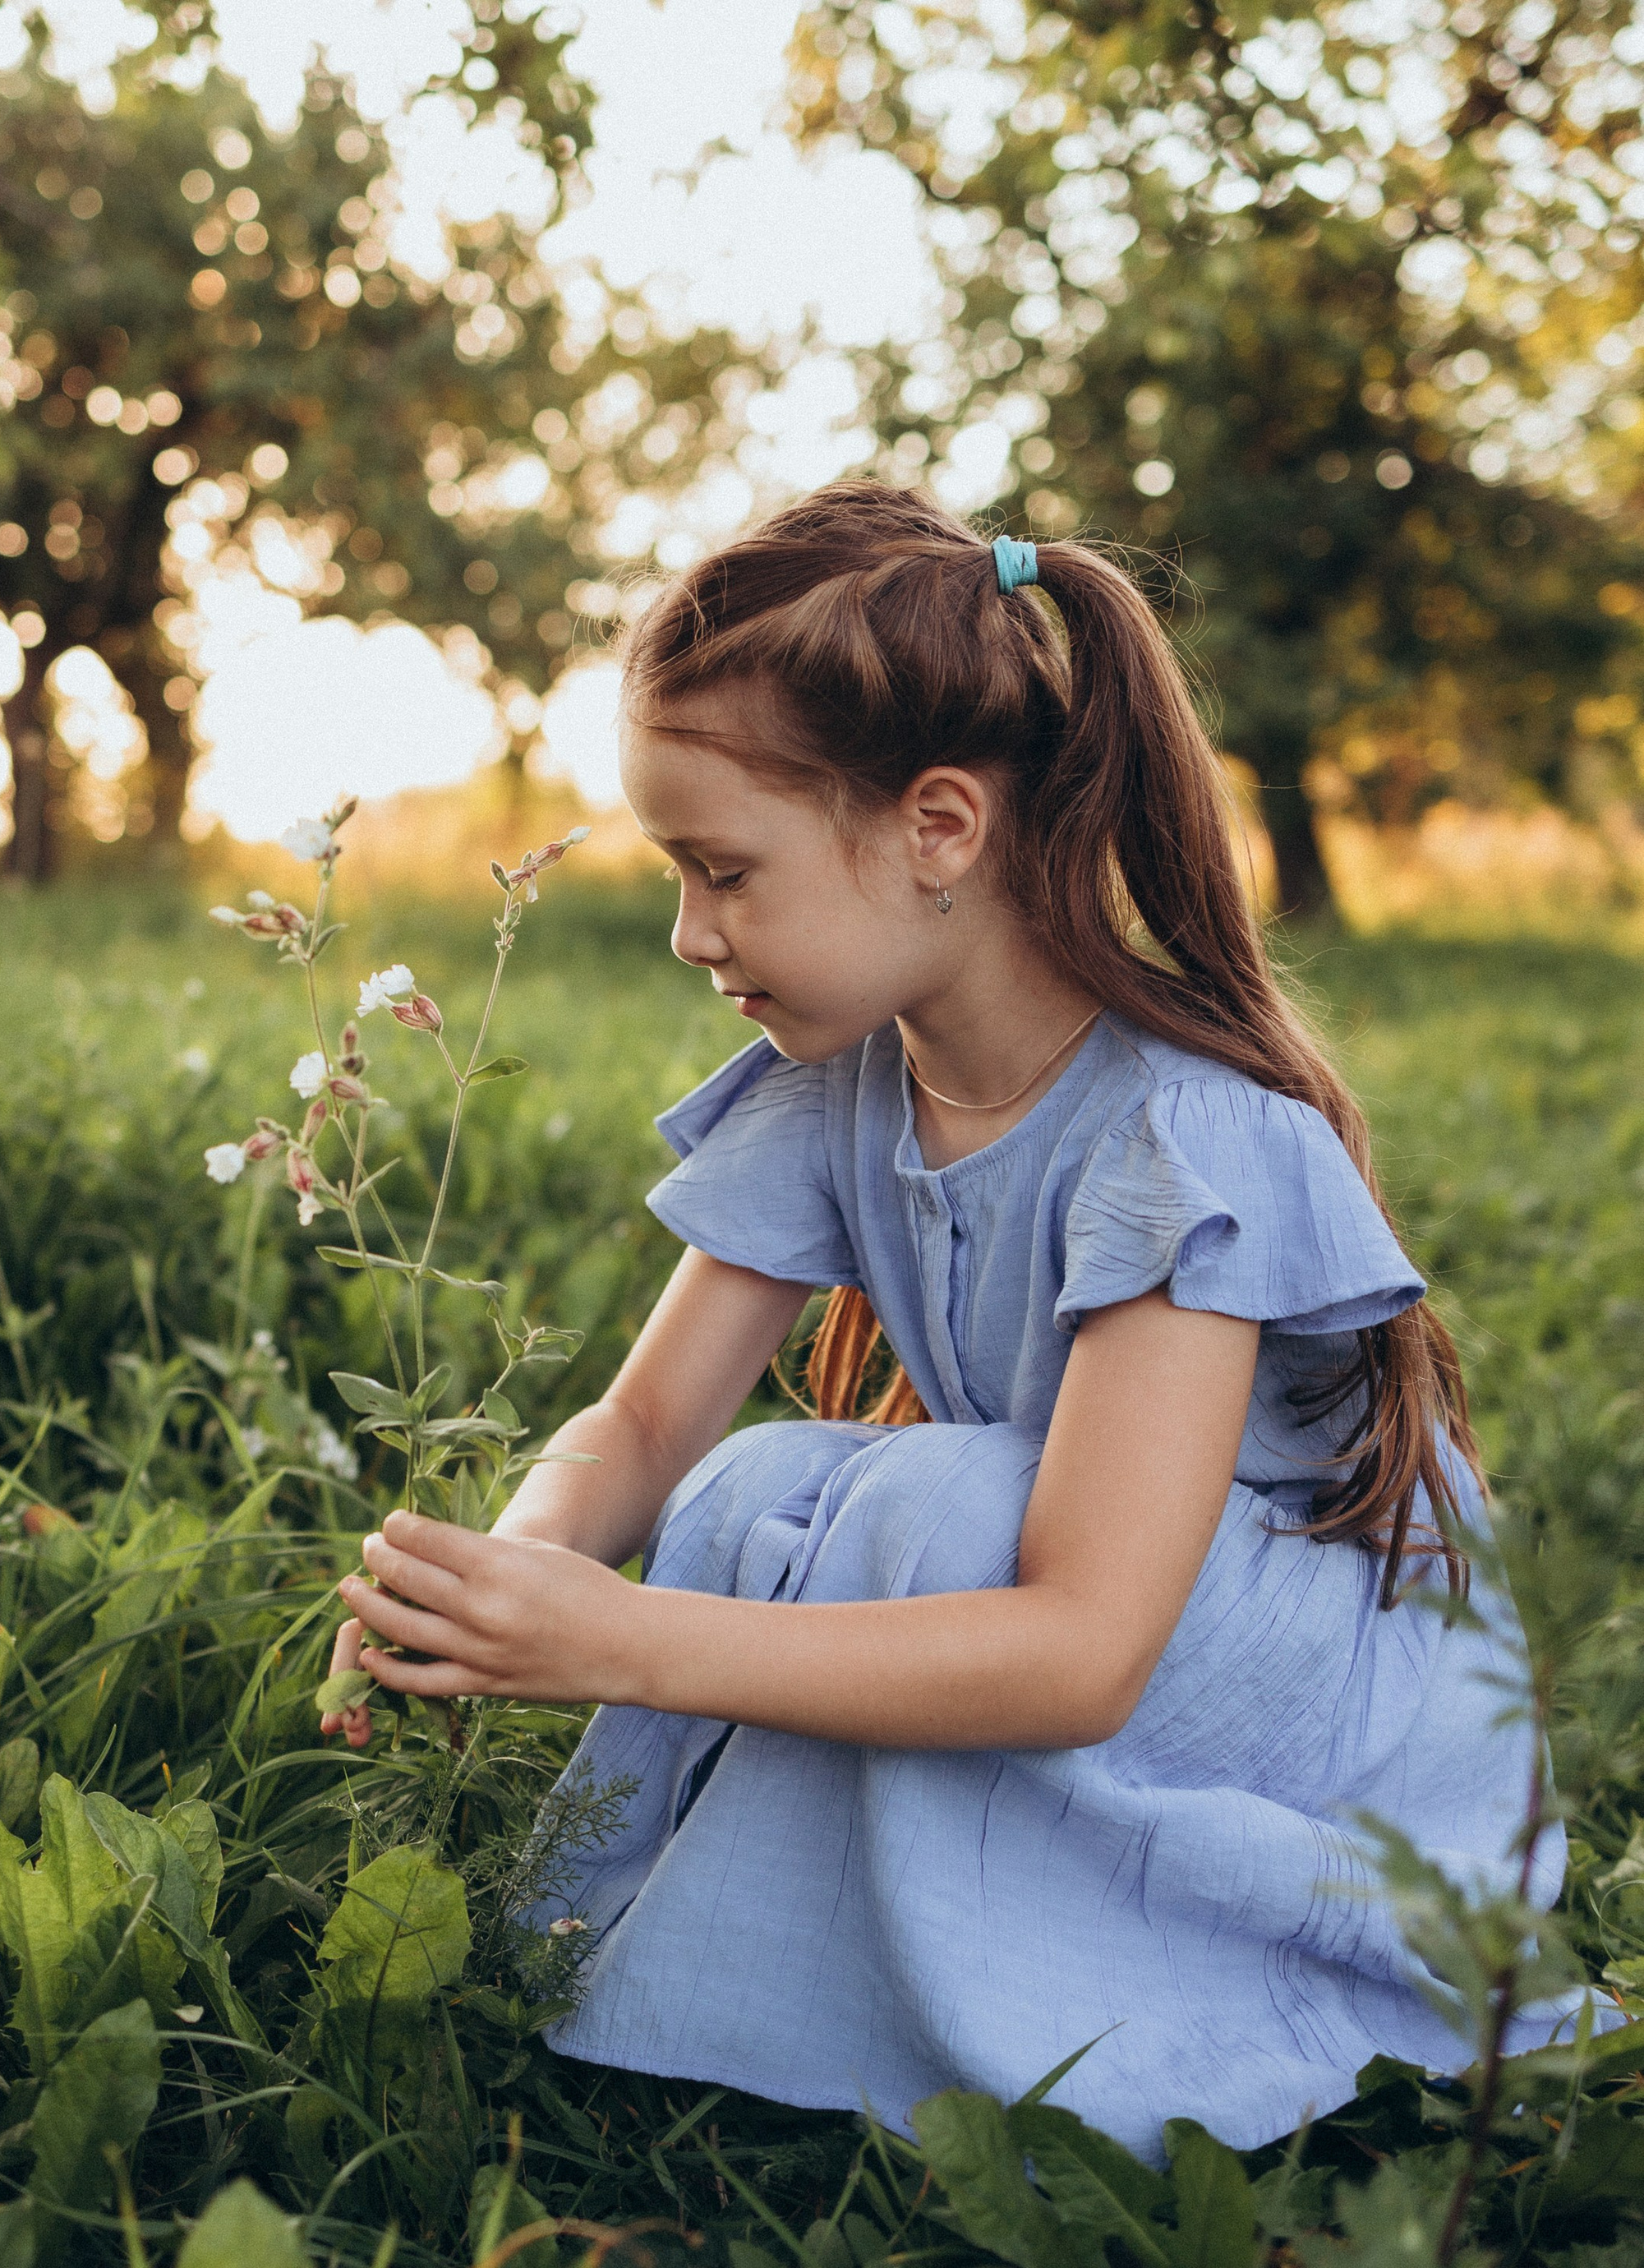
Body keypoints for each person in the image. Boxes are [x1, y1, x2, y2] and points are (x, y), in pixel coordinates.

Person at [317, 483, 1578, 2161]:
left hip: (1327, 1714)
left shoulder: (1174, 1140)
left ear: (936, 828)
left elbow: (1081, 1651)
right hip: (1127, 1624)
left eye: (723, 872)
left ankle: (1043, 2031)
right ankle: (734, 1985)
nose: (691, 934)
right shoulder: (843, 1084)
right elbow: (639, 1429)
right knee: (749, 1486)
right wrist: (497, 1587)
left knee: (925, 1502)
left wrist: (616, 1643)